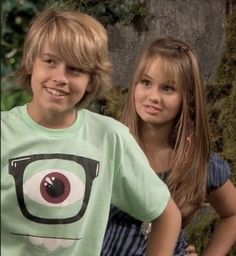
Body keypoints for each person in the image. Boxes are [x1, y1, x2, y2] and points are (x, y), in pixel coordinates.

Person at [1, 10, 182, 256]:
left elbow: (166, 215)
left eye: (75, 69)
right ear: (32, 62)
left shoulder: (110, 137)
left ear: (91, 80)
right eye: (50, 61)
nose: (60, 78)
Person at [101, 37, 236, 256]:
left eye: (168, 88)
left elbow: (232, 214)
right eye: (146, 82)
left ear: (188, 97)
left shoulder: (197, 162)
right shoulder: (110, 144)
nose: (154, 97)